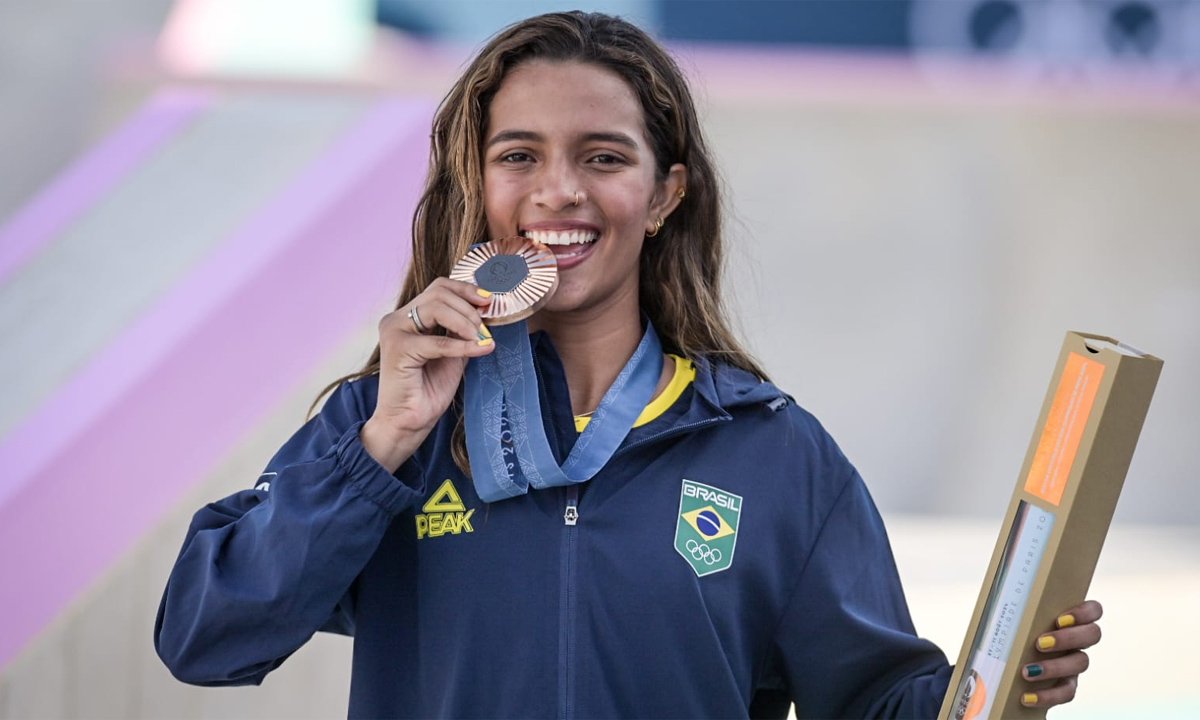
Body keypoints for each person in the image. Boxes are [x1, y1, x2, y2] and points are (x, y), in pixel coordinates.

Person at [154, 11, 1102, 718]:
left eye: (603, 157)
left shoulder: (773, 455)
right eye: (518, 155)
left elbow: (877, 701)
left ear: (663, 195)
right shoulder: (389, 427)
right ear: (476, 185)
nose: (558, 190)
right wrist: (383, 443)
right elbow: (205, 637)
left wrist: (1000, 679)